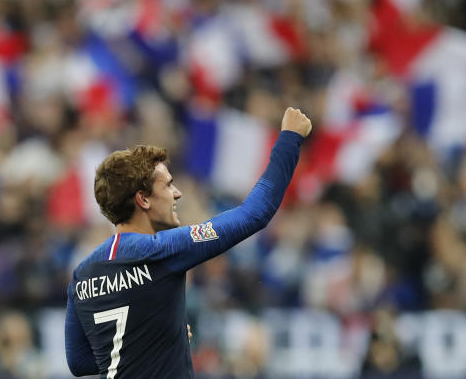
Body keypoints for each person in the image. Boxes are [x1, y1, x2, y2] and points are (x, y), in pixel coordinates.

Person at [64, 107, 312, 378]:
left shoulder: (82, 274)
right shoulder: (161, 249)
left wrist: (157, 337)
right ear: (143, 199)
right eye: (168, 185)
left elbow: (79, 362)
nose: (177, 193)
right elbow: (254, 213)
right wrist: (289, 138)